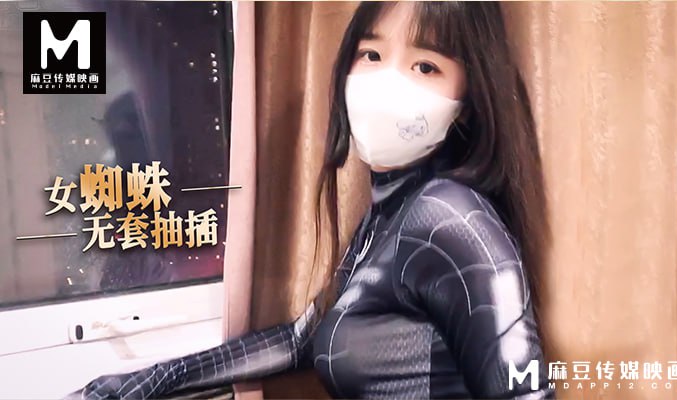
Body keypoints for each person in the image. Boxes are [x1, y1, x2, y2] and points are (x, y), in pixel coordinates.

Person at [70, 2, 554, 399]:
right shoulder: (389, 215)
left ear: (467, 99)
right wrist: (147, 380)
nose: (387, 84)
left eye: (425, 66)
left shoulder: (450, 216)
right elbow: (302, 337)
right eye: (371, 54)